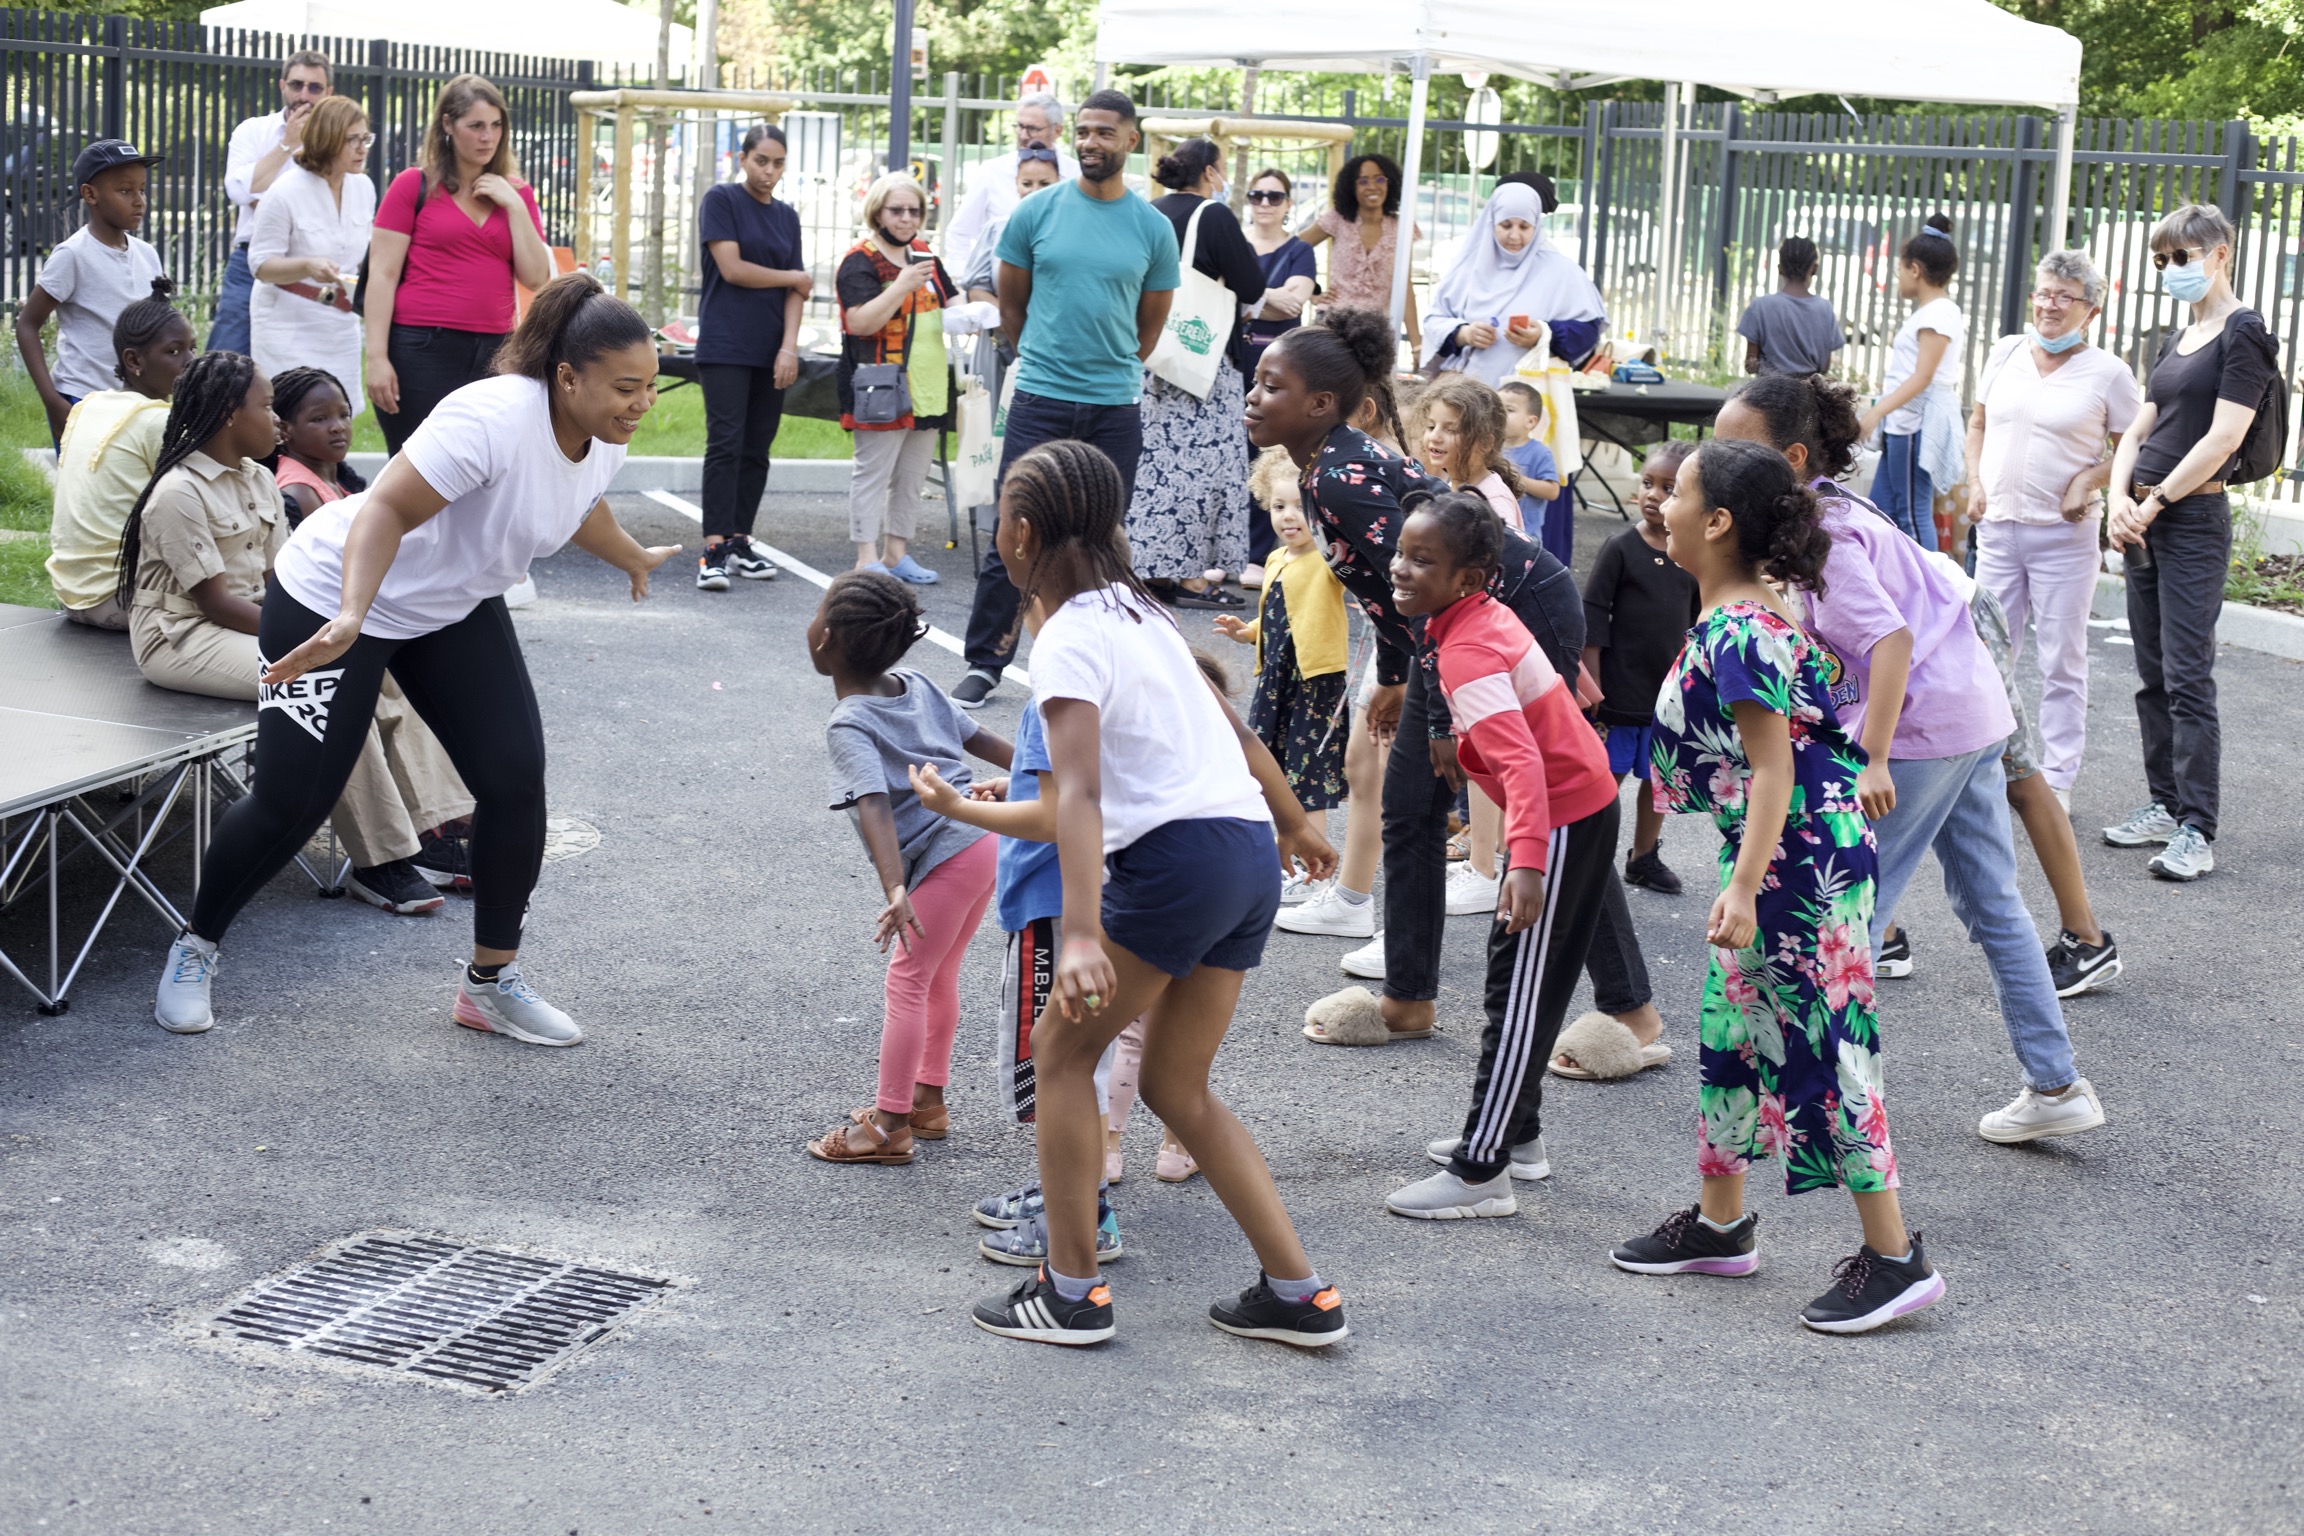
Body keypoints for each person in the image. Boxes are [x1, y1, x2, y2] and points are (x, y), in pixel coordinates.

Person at [148, 274, 682, 1042]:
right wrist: (352, 617)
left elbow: (577, 501)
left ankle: (491, 984)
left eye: (651, 389)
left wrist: (630, 556)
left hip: (445, 605)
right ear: (568, 376)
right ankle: (195, 946)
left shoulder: (600, 435)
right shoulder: (492, 418)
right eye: (626, 387)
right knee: (296, 800)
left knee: (512, 778)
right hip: (334, 593)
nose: (641, 404)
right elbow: (389, 509)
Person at [965, 439, 1344, 1351]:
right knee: (1178, 1083)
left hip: (1175, 865)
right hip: (1243, 852)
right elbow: (1237, 730)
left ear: (1018, 535)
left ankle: (1069, 1293)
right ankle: (1299, 1292)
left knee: (1059, 1052)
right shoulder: (1142, 613)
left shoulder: (1067, 637)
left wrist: (1084, 933)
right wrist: (1293, 821)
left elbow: (1079, 794)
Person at [1717, 371, 2107, 1147]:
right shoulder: (1829, 511)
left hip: (1925, 731)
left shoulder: (1820, 537)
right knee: (1991, 903)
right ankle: (2055, 1082)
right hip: (1972, 716)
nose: (1717, 462)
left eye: (1737, 450)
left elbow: (1889, 638)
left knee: (1845, 917)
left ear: (1793, 457)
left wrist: (1874, 757)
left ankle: (1818, 1103)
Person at [1611, 438, 1944, 1337]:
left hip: (1797, 856)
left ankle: (1896, 1259)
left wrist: (1749, 884)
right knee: (1732, 1031)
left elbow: (1773, 770)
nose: (1660, 503)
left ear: (1717, 523)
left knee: (1828, 1044)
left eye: (1675, 492)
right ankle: (1721, 1225)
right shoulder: (1746, 609)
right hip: (1779, 849)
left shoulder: (1743, 629)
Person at [1247, 312, 1596, 1051]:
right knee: (1410, 806)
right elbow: (1396, 591)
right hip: (1454, 625)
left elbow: (1429, 590)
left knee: (1552, 797)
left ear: (1319, 405)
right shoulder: (1323, 469)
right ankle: (1408, 998)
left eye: (1270, 386)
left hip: (1509, 607)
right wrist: (1401, 679)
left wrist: (1437, 716)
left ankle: (1630, 1008)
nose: (1251, 397)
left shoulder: (1340, 477)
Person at [113, 354, 474, 923]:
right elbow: (213, 603)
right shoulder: (178, 492)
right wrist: (320, 641)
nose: (278, 423)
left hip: (255, 619)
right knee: (326, 687)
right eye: (265, 408)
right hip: (183, 637)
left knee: (383, 670)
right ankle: (379, 862)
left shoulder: (258, 478)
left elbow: (286, 582)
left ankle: (437, 826)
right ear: (231, 416)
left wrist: (342, 631)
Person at [1379, 492, 1622, 1221]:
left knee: (1517, 993)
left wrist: (1525, 861)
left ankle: (1483, 1171)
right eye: (1401, 551)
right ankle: (1516, 1136)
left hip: (1561, 816)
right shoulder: (1469, 620)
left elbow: (1522, 766)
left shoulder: (1469, 643)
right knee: (1520, 985)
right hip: (1570, 807)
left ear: (1470, 577)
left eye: (1424, 560)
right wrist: (1455, 732)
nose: (1400, 567)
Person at [952, 89, 1179, 709]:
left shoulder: (1152, 227)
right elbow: (1013, 310)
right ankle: (986, 661)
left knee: (1103, 538)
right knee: (1015, 532)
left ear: (1131, 141)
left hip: (1113, 408)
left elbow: (1151, 326)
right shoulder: (1037, 213)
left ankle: (1095, 663)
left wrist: (1109, 369)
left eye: (1105, 133)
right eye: (1082, 132)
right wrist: (1050, 362)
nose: (1090, 143)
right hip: (1042, 400)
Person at [805, 572, 1007, 1164]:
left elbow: (873, 805)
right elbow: (987, 743)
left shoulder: (850, 722)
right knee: (937, 975)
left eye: (818, 613)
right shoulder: (917, 684)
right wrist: (1048, 776)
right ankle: (927, 1101)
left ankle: (889, 1125)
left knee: (907, 980)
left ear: (827, 640)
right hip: (984, 844)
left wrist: (895, 888)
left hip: (949, 853)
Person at [2103, 203, 2276, 883]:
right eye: (2164, 260)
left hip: (2191, 521)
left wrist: (2153, 502)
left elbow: (2224, 438)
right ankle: (2165, 802)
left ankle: (2197, 827)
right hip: (2145, 517)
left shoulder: (2245, 332)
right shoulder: (2180, 338)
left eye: (2183, 256)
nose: (2173, 269)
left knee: (2187, 675)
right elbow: (2138, 431)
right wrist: (2120, 498)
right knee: (2152, 673)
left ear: (2220, 252)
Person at [1962, 249, 2140, 803]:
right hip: (1997, 530)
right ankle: (1988, 769)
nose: (2050, 305)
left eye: (2066, 297)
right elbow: (1979, 422)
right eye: (2043, 293)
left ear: (2090, 310)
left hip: (2064, 538)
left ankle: (2057, 779)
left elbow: (2137, 447)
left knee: (2063, 659)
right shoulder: (2006, 351)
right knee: (1986, 652)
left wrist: (2088, 482)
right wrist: (1974, 480)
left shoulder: (2108, 373)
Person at [363, 74, 553, 454]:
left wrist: (513, 204)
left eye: (496, 125)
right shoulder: (412, 184)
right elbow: (382, 276)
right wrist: (377, 358)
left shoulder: (516, 194)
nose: (488, 137)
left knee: (485, 469)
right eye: (476, 126)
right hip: (420, 349)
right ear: (447, 125)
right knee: (416, 470)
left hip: (495, 353)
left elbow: (537, 277)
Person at [1127, 137, 1267, 610]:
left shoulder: (1147, 211)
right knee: (1204, 472)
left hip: (1150, 357)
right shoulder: (1214, 216)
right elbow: (1251, 284)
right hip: (1201, 363)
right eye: (1222, 168)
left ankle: (1153, 571)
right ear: (1208, 172)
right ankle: (1191, 579)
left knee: (1155, 471)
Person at [1579, 439, 1699, 901]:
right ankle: (1590, 856)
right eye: (1648, 483)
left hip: (1666, 695)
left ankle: (1642, 857)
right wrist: (1593, 688)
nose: (1653, 494)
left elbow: (1697, 620)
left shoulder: (1689, 554)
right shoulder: (1621, 548)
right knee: (1606, 778)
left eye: (1669, 488)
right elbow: (1593, 617)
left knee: (1659, 779)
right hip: (1616, 692)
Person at [693, 124, 809, 592]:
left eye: (778, 163)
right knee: (726, 443)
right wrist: (791, 276)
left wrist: (789, 346)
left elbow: (799, 289)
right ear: (742, 158)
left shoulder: (787, 217)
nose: (770, 171)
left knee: (757, 448)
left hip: (770, 347)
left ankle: (740, 541)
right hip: (725, 344)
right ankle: (714, 548)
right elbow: (733, 269)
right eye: (761, 160)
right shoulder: (721, 200)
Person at [46, 279, 193, 629]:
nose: (191, 362)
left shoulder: (90, 405)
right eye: (175, 352)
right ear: (134, 360)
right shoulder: (157, 421)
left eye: (193, 348)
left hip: (71, 594)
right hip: (123, 600)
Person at [1213, 448, 1350, 814]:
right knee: (1267, 771)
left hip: (1314, 682)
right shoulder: (1275, 558)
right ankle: (1285, 856)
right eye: (1278, 507)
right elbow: (1282, 617)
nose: (1288, 516)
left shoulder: (1326, 558)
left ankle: (1310, 867)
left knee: (1306, 779)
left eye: (1300, 506)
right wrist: (1247, 631)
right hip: (1277, 681)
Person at [837, 174, 958, 583]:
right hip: (881, 382)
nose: (907, 219)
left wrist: (972, 313)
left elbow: (952, 299)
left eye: (914, 211)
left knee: (911, 477)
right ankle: (865, 555)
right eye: (897, 210)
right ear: (877, 212)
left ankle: (895, 552)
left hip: (928, 385)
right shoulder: (861, 259)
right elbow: (859, 322)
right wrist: (901, 285)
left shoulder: (925, 254)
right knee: (874, 472)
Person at [15, 138, 166, 447]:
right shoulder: (72, 255)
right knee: (85, 492)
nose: (139, 200)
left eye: (142, 189)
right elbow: (27, 325)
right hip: (84, 400)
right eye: (125, 191)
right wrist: (54, 403)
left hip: (137, 402)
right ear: (90, 194)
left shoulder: (147, 254)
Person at [248, 97, 375, 417]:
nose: (362, 148)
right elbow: (260, 265)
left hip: (339, 322)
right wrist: (306, 265)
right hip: (287, 325)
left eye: (366, 138)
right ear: (326, 139)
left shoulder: (364, 188)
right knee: (293, 416)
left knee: (337, 415)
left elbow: (361, 254)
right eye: (352, 140)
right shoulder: (285, 191)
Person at [1420, 180, 1607, 381]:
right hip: (1468, 392)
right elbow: (1434, 320)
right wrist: (1463, 334)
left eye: (1524, 226)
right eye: (1506, 225)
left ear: (1536, 227)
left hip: (1531, 394)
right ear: (1491, 223)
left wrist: (1544, 334)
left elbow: (1588, 330)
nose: (1514, 236)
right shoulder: (1468, 268)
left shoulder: (1562, 271)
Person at [1857, 213, 1966, 552]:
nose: (1898, 276)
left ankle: (1932, 599)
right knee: (1879, 513)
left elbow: (1922, 377)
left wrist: (1875, 413)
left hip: (1913, 426)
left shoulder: (1938, 314)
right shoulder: (1933, 313)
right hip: (1903, 426)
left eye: (1900, 269)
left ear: (1915, 269)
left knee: (1912, 516)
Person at [213, 50, 332, 356]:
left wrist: (266, 200)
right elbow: (240, 191)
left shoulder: (335, 141)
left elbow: (331, 205)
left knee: (301, 363)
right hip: (251, 259)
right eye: (296, 85)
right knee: (228, 357)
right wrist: (287, 144)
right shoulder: (253, 131)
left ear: (328, 93)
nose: (303, 95)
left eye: (314, 88)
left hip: (311, 263)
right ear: (282, 85)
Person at [1236, 167, 1322, 589]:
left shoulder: (1300, 250)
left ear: (1288, 203)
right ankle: (1225, 551)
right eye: (1257, 195)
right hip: (1232, 359)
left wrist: (1245, 296)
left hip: (1280, 368)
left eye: (1274, 196)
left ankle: (1257, 553)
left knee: (1267, 453)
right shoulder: (1234, 243)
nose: (1264, 203)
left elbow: (1293, 304)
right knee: (1228, 456)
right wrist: (1264, 298)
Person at [939, 92, 1079, 281]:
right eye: (1019, 126)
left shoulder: (1076, 175)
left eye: (1032, 128)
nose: (1023, 135)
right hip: (1000, 291)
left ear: (1057, 131)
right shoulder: (993, 171)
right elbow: (960, 232)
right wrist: (966, 280)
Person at [1297, 152, 1419, 346]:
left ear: (1390, 184)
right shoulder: (1337, 219)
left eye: (1379, 179)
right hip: (1333, 323)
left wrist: (1416, 344)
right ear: (1351, 187)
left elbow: (1405, 286)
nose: (1372, 186)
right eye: (1363, 181)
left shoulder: (1402, 227)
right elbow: (1294, 250)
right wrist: (1312, 293)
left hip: (1376, 330)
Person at [267, 366, 366, 523]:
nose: (338, 427)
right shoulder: (299, 494)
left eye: (344, 415)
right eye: (320, 419)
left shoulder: (338, 480)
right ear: (284, 429)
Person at [1736, 236, 1845, 377]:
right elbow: (1824, 366)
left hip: (1768, 393)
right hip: (1807, 395)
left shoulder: (1760, 306)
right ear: (1814, 269)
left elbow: (1751, 365)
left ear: (1780, 268)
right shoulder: (1825, 309)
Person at [1497, 380, 1567, 567]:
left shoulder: (1539, 452)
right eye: (1497, 408)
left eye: (1509, 410)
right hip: (1493, 533)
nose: (1500, 414)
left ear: (1530, 421)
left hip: (1525, 537)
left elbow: (1553, 491)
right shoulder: (1490, 448)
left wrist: (1516, 478)